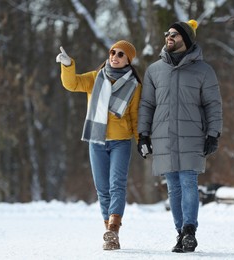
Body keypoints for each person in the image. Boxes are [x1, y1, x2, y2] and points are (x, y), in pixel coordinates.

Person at [137, 20, 222, 253]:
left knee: (189, 182)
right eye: (168, 33)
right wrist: (142, 135)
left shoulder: (203, 70)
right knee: (173, 187)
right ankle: (180, 233)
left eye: (174, 34)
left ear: (185, 38)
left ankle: (189, 231)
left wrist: (213, 134)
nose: (169, 37)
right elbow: (147, 105)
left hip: (192, 135)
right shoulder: (154, 70)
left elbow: (212, 104)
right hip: (163, 136)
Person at [56, 40, 142, 250]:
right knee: (102, 189)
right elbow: (72, 83)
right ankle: (109, 233)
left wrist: (141, 141)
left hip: (120, 141)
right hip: (96, 141)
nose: (115, 56)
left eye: (121, 54)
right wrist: (68, 65)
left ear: (128, 59)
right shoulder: (96, 77)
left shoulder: (134, 85)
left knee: (116, 185)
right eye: (113, 52)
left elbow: (135, 116)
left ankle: (113, 228)